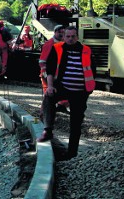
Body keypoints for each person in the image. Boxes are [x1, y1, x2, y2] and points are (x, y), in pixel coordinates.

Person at [37, 26, 95, 160]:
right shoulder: (57, 48)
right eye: (67, 36)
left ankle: (71, 153)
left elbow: (92, 70)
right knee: (48, 97)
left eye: (73, 36)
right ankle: (48, 129)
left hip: (80, 92)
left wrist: (89, 90)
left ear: (77, 37)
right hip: (62, 87)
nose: (70, 39)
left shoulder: (86, 50)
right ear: (64, 37)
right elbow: (50, 69)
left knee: (76, 123)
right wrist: (50, 86)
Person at [38, 25, 69, 114]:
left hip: (57, 74)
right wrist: (44, 72)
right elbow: (42, 61)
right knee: (48, 95)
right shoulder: (49, 44)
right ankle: (44, 114)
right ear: (55, 32)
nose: (61, 34)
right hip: (48, 74)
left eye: (63, 32)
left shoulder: (62, 44)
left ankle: (60, 107)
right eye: (60, 32)